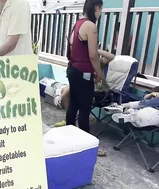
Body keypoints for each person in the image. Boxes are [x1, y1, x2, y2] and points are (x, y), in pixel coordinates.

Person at [66, 0, 105, 154]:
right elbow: (93, 55)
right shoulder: (91, 26)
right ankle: (86, 146)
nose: (100, 13)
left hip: (73, 69)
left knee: (73, 104)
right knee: (84, 108)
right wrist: (99, 72)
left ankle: (68, 138)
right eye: (101, 9)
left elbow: (70, 48)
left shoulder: (77, 24)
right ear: (97, 8)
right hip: (84, 72)